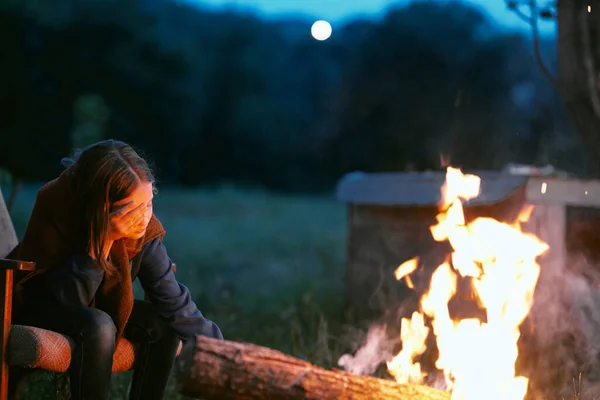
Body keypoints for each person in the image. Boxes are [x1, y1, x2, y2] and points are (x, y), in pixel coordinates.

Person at [7, 139, 223, 400]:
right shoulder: (58, 203)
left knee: (161, 323)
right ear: (104, 209)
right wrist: (104, 239)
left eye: (149, 203)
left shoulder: (143, 227)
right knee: (99, 323)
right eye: (134, 209)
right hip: (40, 302)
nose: (145, 217)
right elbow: (70, 300)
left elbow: (172, 298)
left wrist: (220, 351)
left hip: (98, 307)